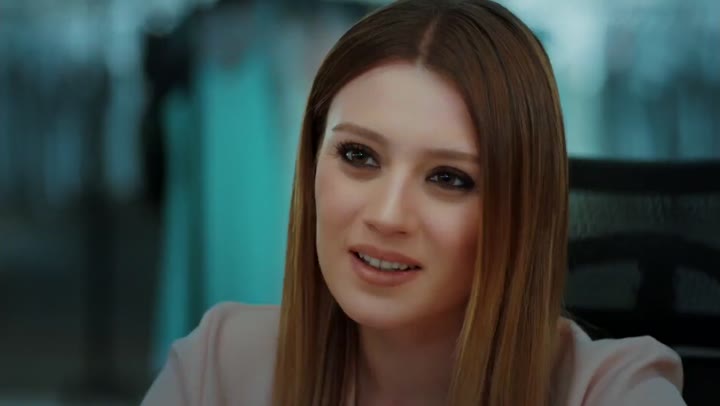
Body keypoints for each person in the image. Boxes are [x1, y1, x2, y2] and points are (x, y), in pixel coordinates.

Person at [141, 0, 686, 405]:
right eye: (358, 156)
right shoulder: (216, 368)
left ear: (520, 207)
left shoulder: (615, 391)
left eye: (449, 178)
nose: (386, 215)